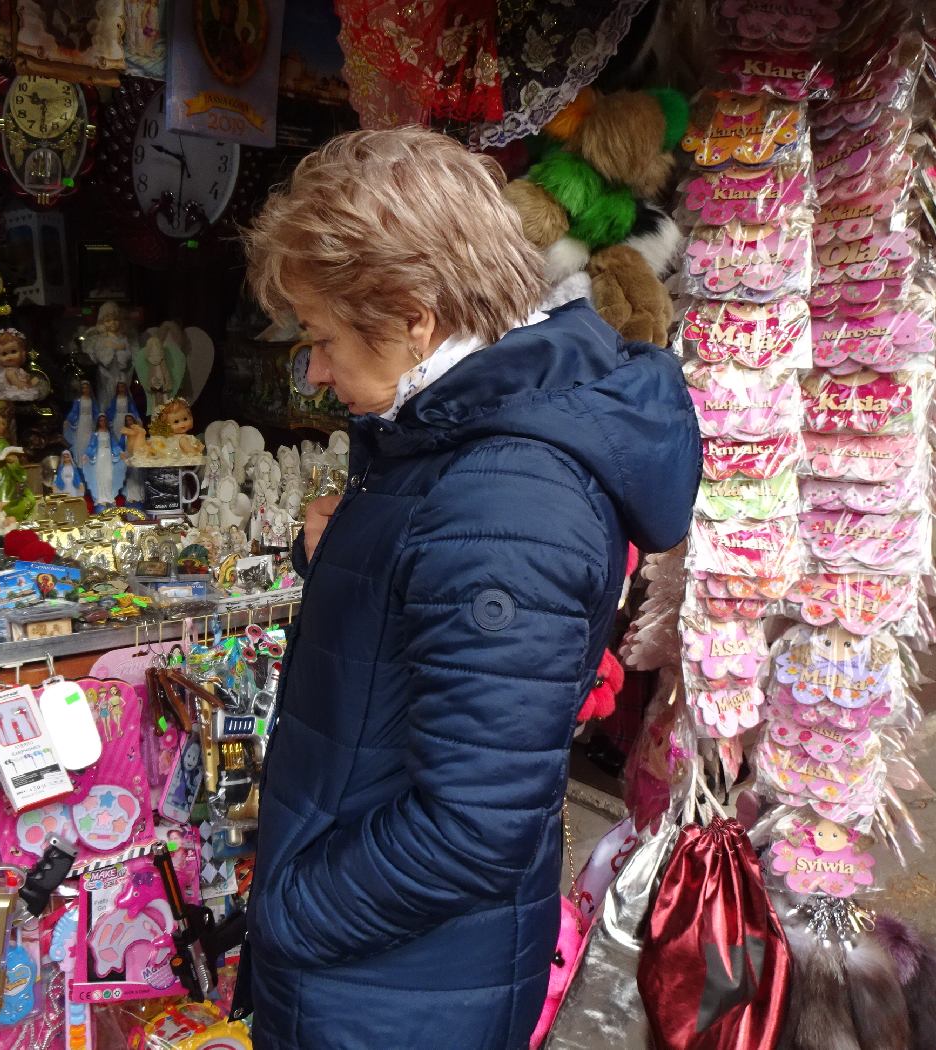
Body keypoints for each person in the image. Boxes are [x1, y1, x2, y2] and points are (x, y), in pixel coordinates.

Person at [236, 127, 699, 1048]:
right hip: (385, 973)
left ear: (415, 317)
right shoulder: (451, 436)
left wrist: (290, 918)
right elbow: (430, 617)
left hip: (394, 994)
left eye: (322, 338)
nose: (315, 370)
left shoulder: (509, 493)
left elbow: (471, 828)